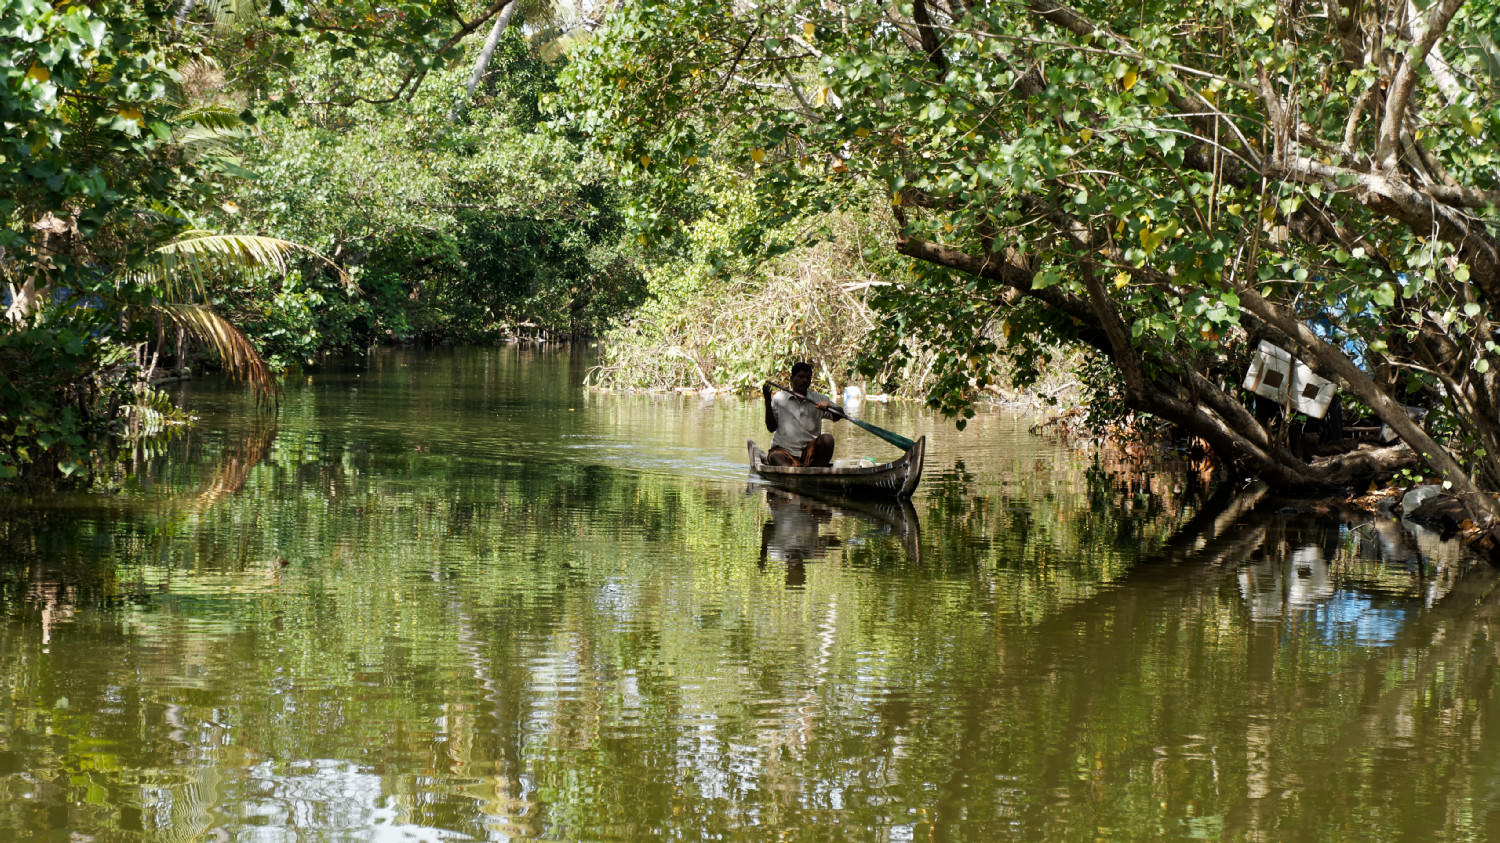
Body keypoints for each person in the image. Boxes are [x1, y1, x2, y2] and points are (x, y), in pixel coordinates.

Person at [762, 361, 841, 467]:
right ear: (792, 379)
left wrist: (829, 408)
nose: (805, 380)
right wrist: (767, 400)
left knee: (828, 439)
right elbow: (771, 428)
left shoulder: (819, 399)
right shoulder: (779, 398)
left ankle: (813, 470)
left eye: (808, 378)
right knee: (775, 456)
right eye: (801, 377)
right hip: (785, 452)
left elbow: (839, 415)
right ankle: (796, 469)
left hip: (809, 453)